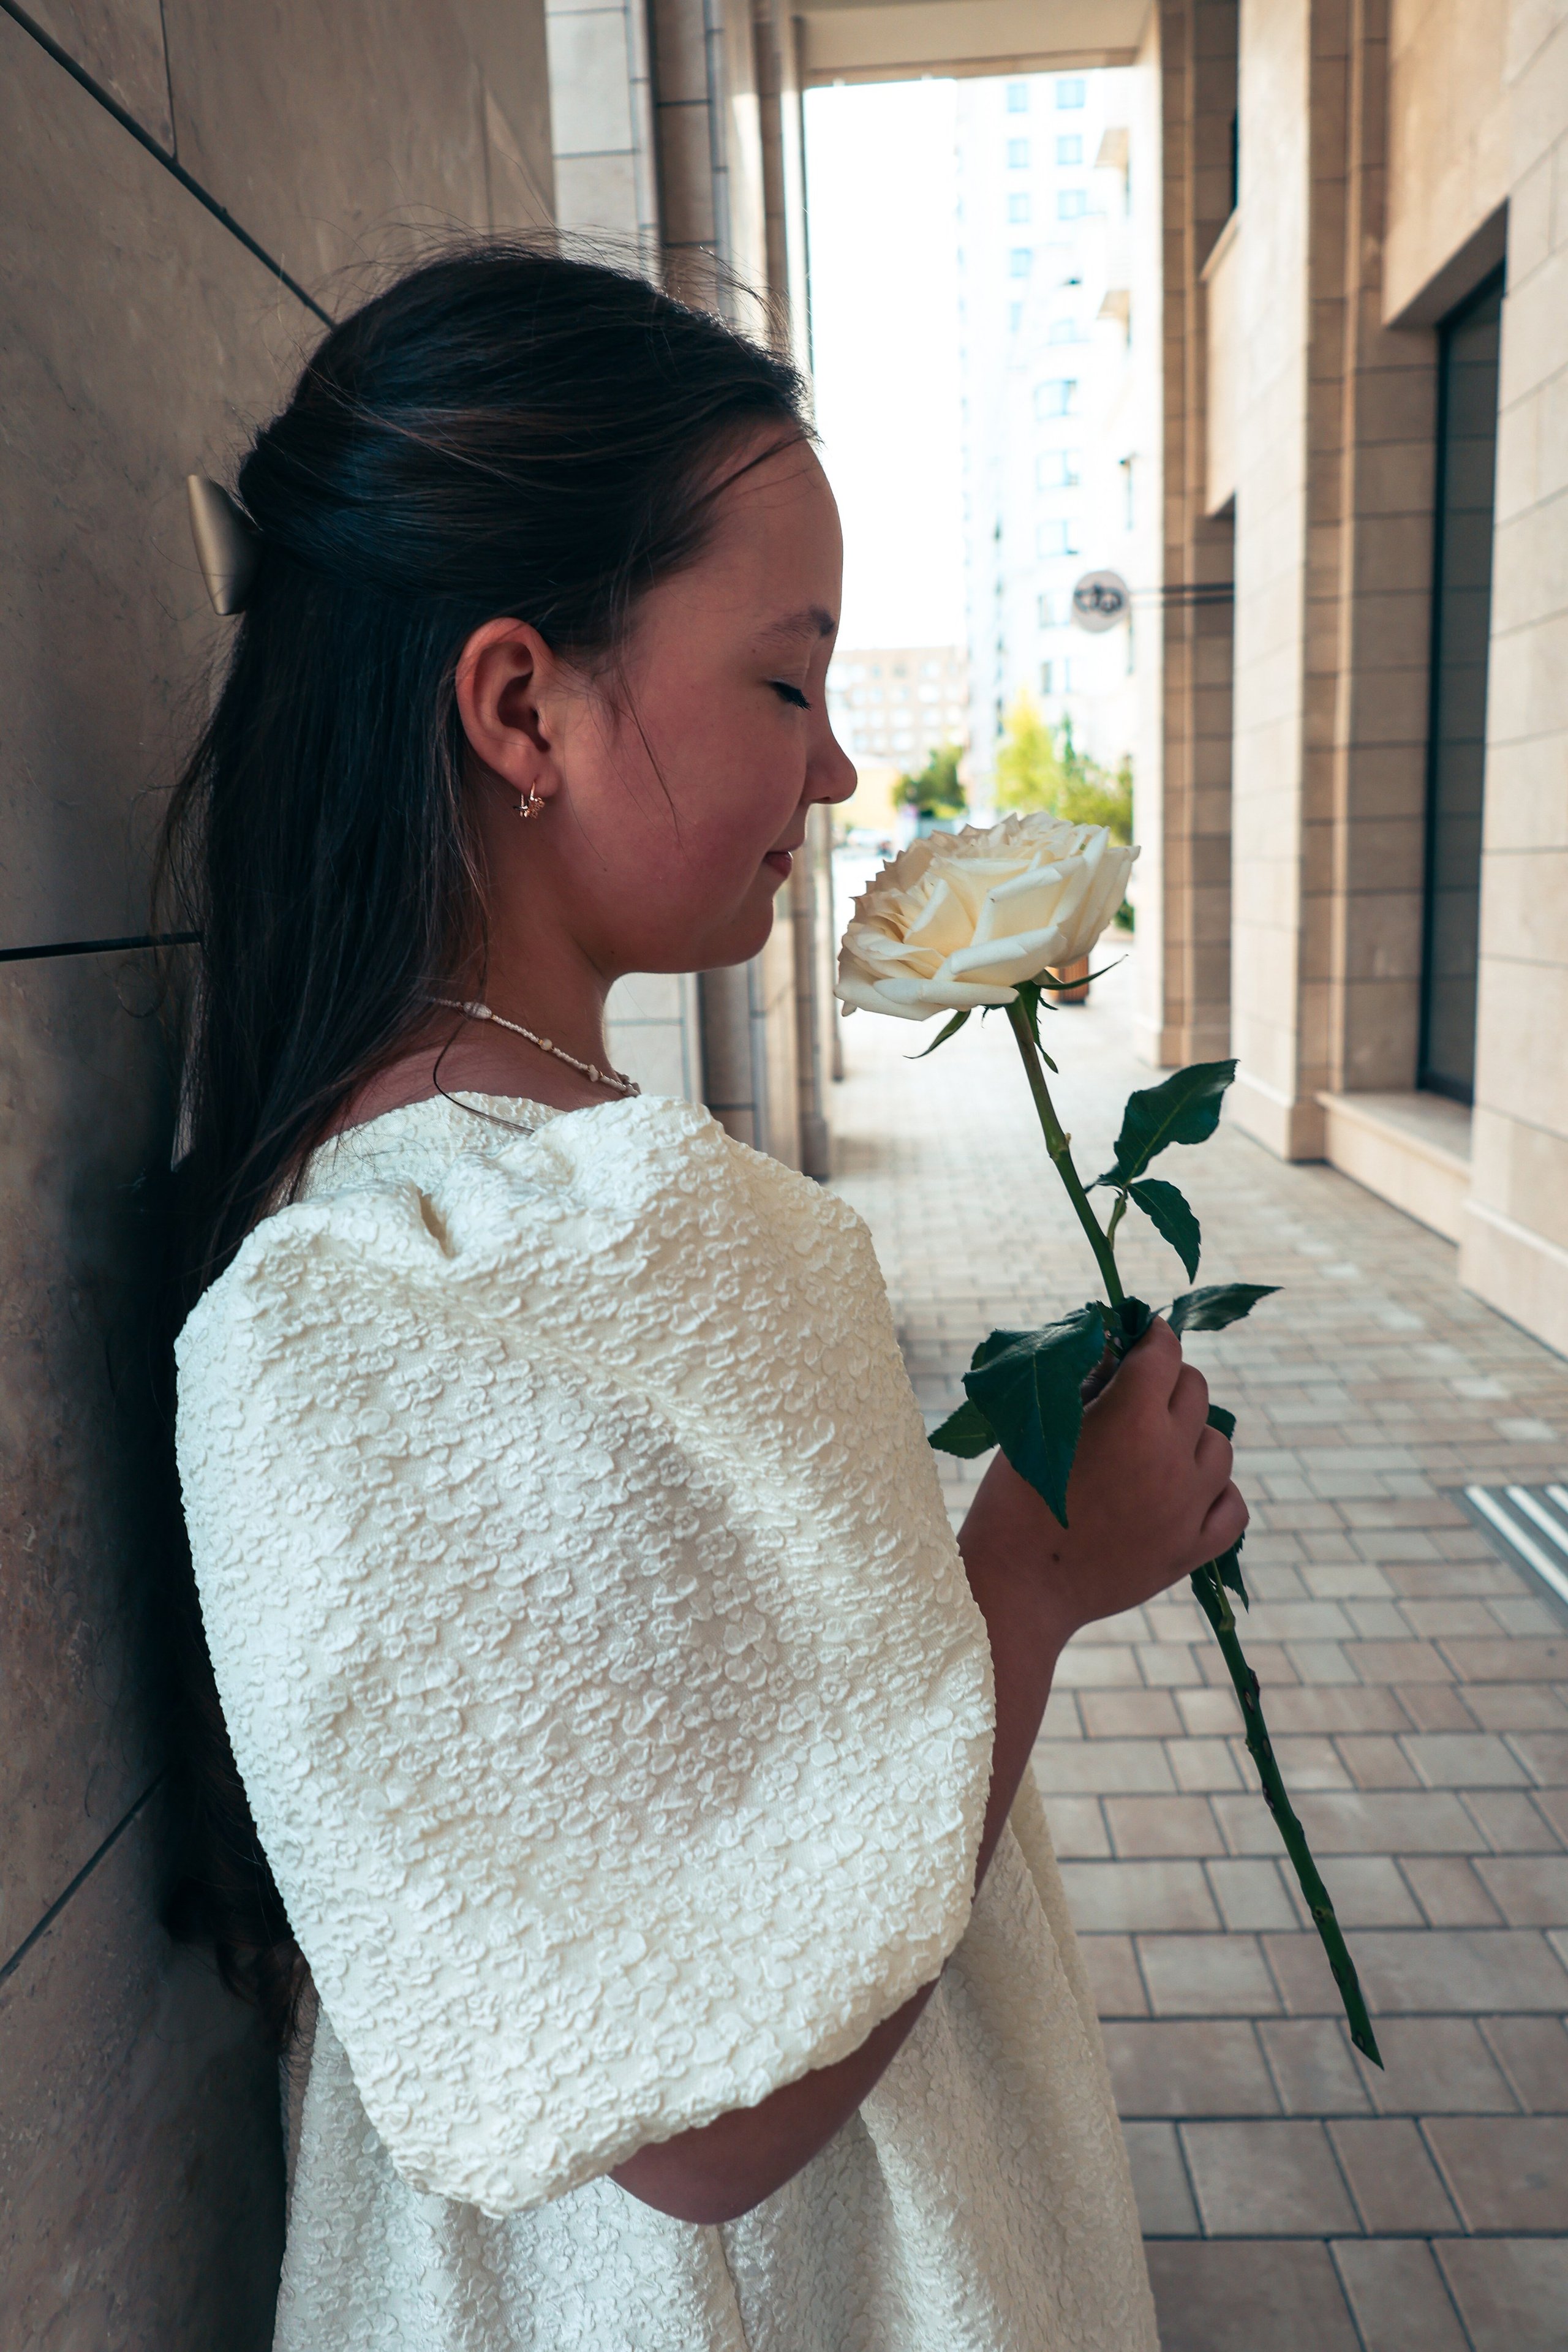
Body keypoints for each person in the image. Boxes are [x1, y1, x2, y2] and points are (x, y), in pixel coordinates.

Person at [161, 243, 1246, 2352]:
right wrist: (1025, 1576)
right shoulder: (365, 1303)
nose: (839, 774)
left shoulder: (550, 1189)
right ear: (517, 705)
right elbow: (695, 2115)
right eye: (786, 683)